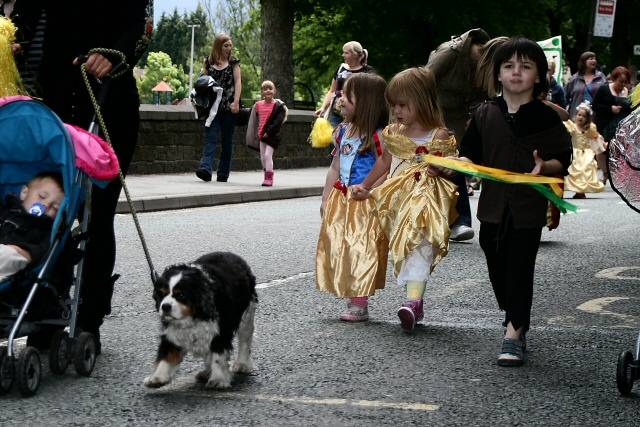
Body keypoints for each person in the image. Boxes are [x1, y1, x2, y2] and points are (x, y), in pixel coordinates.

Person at [13, 0, 150, 353]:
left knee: (97, 213)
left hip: (106, 105)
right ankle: (46, 305)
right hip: (48, 107)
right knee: (42, 210)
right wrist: (13, 41)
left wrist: (114, 54)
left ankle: (88, 316)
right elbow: (22, 24)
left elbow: (137, 27)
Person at [458, 38, 572, 366]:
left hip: (527, 207)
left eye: (525, 66)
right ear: (497, 75)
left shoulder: (546, 117)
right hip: (493, 205)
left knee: (520, 265)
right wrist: (461, 164)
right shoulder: (484, 113)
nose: (516, 72)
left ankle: (513, 332)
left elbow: (563, 158)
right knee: (494, 257)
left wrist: (544, 167)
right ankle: (514, 312)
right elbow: (470, 152)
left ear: (538, 76)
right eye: (508, 66)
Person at [351, 68, 459, 332]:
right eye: (394, 105)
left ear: (421, 101)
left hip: (426, 203)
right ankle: (412, 302)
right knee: (403, 249)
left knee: (419, 248)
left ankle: (412, 302)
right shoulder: (394, 132)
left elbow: (453, 166)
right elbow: (385, 162)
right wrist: (365, 186)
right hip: (397, 202)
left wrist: (443, 167)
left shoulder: (439, 136)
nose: (397, 110)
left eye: (403, 105)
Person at [316, 73, 389, 322]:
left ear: (367, 102)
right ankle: (351, 294)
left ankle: (359, 302)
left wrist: (371, 189)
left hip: (365, 201)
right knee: (342, 245)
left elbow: (387, 167)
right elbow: (335, 166)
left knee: (361, 248)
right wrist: (326, 198)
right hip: (342, 198)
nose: (340, 99)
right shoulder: (342, 131)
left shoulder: (378, 136)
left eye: (348, 95)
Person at [426, 29, 507, 242]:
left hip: (459, 120)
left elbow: (484, 95)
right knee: (428, 167)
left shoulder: (484, 69)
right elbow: (423, 81)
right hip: (433, 114)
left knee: (456, 163)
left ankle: (460, 221)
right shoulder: (450, 53)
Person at [0, 172, 64, 282]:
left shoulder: (45, 230)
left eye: (55, 207)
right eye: (42, 197)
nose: (46, 205)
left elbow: (39, 251)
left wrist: (24, 253)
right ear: (24, 193)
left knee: (10, 256)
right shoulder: (6, 210)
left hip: (13, 257)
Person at [195, 33, 242, 183]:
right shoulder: (209, 62)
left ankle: (223, 173)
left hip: (229, 107)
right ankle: (205, 169)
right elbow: (202, 81)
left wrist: (236, 102)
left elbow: (238, 82)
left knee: (227, 141)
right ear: (218, 46)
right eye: (226, 45)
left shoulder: (233, 62)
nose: (229, 48)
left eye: (230, 45)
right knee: (211, 138)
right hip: (212, 109)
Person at [314, 41, 374, 127]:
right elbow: (332, 91)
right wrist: (323, 108)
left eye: (346, 53)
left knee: (349, 139)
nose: (343, 55)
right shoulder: (341, 68)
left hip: (355, 115)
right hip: (335, 113)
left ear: (356, 55)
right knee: (332, 138)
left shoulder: (368, 72)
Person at [592, 66, 632, 184]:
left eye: (625, 82)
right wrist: (610, 108)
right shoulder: (604, 89)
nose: (623, 84)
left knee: (617, 151)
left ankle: (615, 174)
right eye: (620, 81)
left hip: (618, 127)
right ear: (614, 79)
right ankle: (605, 174)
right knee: (601, 150)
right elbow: (595, 105)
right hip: (603, 124)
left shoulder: (626, 92)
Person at [245, 80, 288, 187]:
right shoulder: (258, 105)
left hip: (272, 135)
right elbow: (252, 117)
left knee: (268, 155)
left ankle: (269, 178)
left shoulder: (278, 106)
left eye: (270, 88)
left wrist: (268, 133)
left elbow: (277, 122)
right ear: (262, 92)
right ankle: (266, 175)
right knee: (263, 157)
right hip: (261, 135)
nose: (268, 90)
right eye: (265, 89)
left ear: (274, 91)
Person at [564, 102, 605, 199]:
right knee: (575, 170)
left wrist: (602, 144)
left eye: (584, 116)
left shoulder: (590, 128)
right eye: (579, 115)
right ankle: (578, 191)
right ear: (575, 115)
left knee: (586, 169)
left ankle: (581, 191)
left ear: (587, 119)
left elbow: (596, 137)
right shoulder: (572, 127)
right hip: (575, 152)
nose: (580, 117)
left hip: (587, 152)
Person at [564, 51, 607, 119]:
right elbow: (565, 97)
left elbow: (607, 96)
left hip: (596, 118)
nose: (594, 61)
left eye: (595, 59)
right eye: (591, 59)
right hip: (577, 117)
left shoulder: (601, 77)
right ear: (583, 61)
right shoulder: (574, 78)